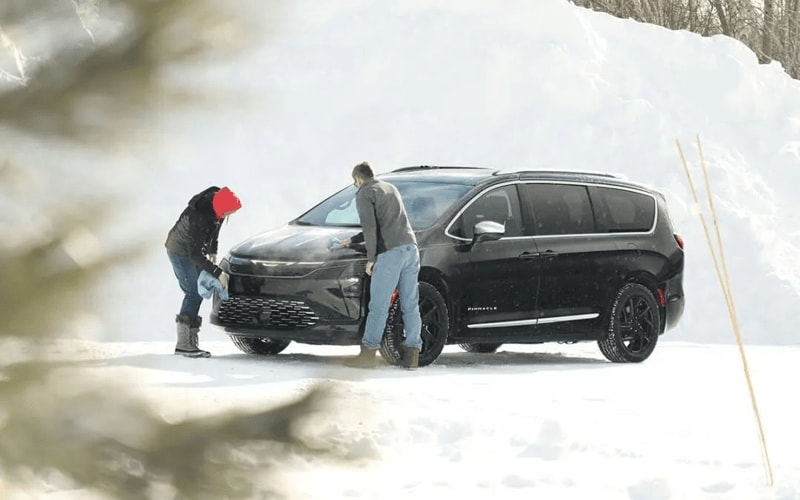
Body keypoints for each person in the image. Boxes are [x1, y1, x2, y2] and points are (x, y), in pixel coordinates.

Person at [342, 162, 422, 369]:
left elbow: (370, 228)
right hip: (410, 250)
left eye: (354, 183)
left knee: (378, 306)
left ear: (358, 179)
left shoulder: (364, 193)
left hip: (390, 255)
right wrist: (352, 240)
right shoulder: (390, 188)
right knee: (410, 305)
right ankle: (412, 354)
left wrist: (371, 259)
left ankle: (368, 355)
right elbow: (387, 222)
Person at [165, 186, 242, 357]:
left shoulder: (218, 209)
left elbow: (214, 232)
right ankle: (184, 344)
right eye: (229, 211)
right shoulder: (199, 216)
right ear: (221, 207)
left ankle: (190, 341)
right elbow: (194, 254)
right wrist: (217, 272)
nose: (229, 215)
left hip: (192, 250)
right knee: (193, 291)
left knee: (199, 292)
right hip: (179, 250)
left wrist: (213, 251)